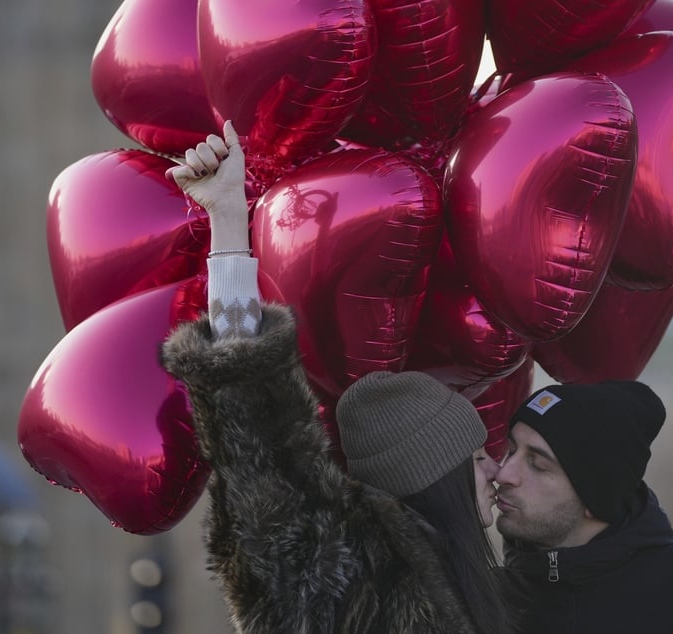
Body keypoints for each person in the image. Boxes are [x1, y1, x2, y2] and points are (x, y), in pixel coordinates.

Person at [158, 122, 508, 633]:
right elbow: (250, 427)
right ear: (436, 477)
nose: (496, 471)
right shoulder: (329, 572)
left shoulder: (476, 581)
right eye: (477, 459)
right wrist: (229, 217)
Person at [494, 380, 673, 633]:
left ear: (594, 500)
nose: (503, 474)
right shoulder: (479, 600)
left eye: (538, 465)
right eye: (510, 451)